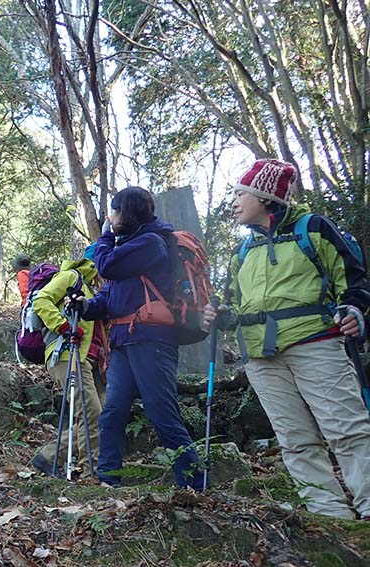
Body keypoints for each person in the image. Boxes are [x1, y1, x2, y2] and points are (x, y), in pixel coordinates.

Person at [204, 158, 370, 519]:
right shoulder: (241, 251)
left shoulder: (314, 229)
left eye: (240, 193)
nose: (233, 201)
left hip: (316, 342)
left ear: (264, 196)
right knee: (294, 439)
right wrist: (221, 316)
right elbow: (232, 303)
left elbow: (353, 280)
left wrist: (354, 311)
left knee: (347, 427)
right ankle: (329, 515)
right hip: (260, 355)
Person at [81, 186, 204, 490]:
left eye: (114, 211)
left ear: (128, 212)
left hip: (151, 339)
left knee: (161, 412)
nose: (110, 217)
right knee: (113, 410)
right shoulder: (131, 247)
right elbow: (111, 296)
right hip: (125, 340)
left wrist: (105, 234)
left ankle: (194, 483)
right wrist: (85, 307)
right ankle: (109, 479)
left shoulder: (151, 242)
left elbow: (106, 265)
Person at [30, 255, 103, 480]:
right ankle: (92, 472)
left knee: (101, 414)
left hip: (90, 362)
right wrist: (63, 327)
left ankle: (49, 456)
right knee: (90, 410)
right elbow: (41, 301)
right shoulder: (72, 277)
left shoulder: (97, 293)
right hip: (67, 354)